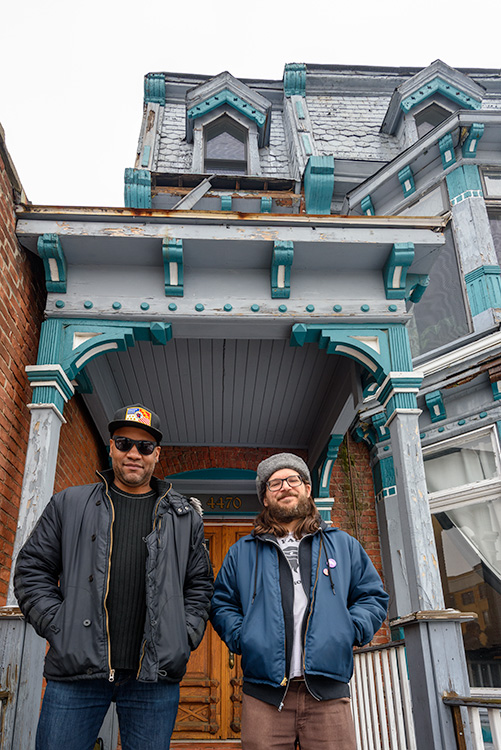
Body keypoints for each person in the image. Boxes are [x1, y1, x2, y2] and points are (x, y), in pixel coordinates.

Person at [14, 404, 213, 750]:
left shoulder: (184, 518)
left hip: (153, 677)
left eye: (144, 447)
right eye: (124, 443)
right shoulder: (69, 503)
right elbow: (32, 570)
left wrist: (183, 634)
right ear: (111, 447)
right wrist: (60, 626)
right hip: (75, 673)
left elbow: (200, 585)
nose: (134, 453)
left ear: (157, 455)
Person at [210, 452, 389, 750]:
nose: (285, 487)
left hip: (328, 694)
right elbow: (221, 603)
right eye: (275, 483)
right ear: (265, 498)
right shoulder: (242, 551)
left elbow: (372, 596)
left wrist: (348, 630)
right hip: (264, 696)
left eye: (293, 479)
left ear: (307, 488)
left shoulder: (343, 545)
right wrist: (244, 637)